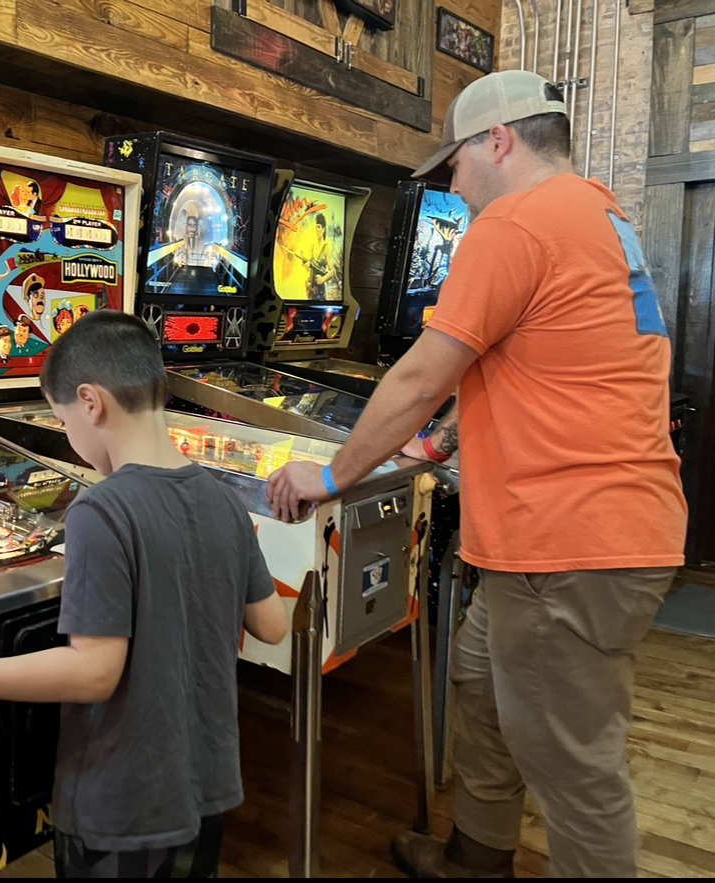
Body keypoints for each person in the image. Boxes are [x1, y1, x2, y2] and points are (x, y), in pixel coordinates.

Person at [266, 70, 686, 879]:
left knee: (574, 767)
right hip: (582, 533)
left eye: (455, 165)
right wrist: (434, 448)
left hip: (567, 542)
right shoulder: (597, 213)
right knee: (480, 685)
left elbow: (422, 375)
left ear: (499, 141)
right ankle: (477, 855)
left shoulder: (517, 222)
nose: (453, 188)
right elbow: (541, 368)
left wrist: (332, 473)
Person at [0, 311, 288, 878]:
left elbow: (95, 672)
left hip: (123, 801)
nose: (68, 435)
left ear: (90, 402)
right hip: (205, 786)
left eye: (62, 417)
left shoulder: (102, 508)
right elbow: (273, 624)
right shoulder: (221, 498)